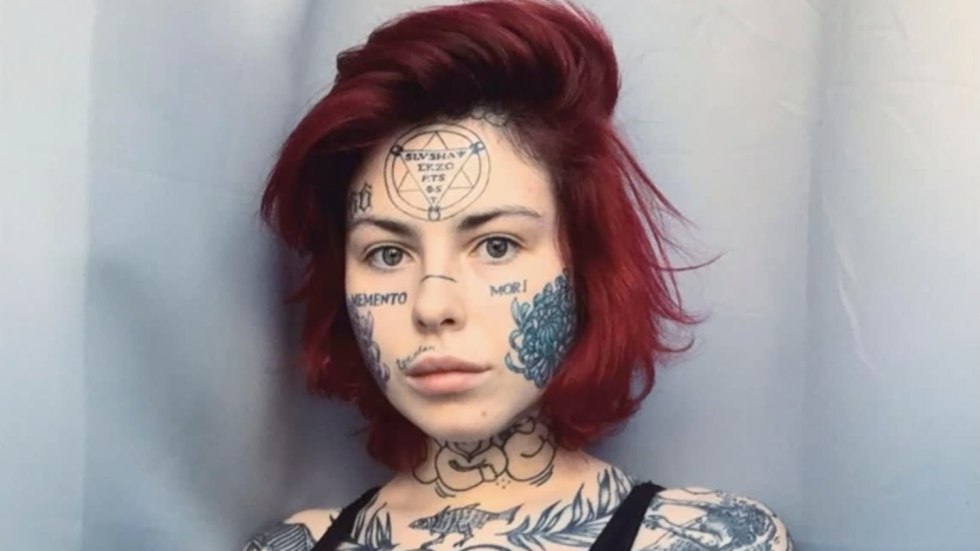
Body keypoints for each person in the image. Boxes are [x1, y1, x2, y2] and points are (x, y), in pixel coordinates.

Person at [244, 1, 794, 549]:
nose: (433, 307)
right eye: (388, 254)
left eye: (496, 245)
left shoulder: (709, 539)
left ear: (584, 264)